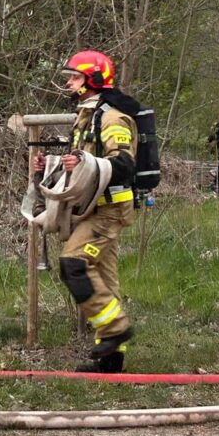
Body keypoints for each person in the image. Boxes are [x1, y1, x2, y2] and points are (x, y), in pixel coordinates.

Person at [31, 49, 136, 373]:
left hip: (109, 211)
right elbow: (82, 165)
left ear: (92, 79)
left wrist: (85, 162)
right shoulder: (86, 116)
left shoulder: (111, 117)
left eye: (74, 77)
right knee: (105, 280)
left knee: (73, 263)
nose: (68, 82)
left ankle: (116, 328)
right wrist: (46, 168)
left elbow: (124, 164)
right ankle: (111, 360)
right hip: (93, 209)